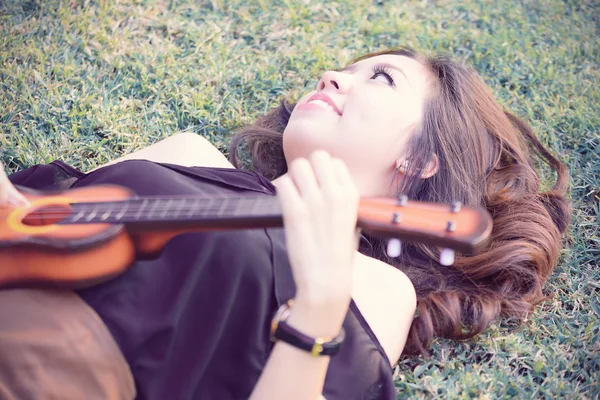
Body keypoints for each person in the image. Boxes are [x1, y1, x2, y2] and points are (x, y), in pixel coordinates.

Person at [0, 47, 570, 399]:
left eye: (380, 79)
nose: (331, 76)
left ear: (420, 160)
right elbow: (23, 224)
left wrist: (319, 306)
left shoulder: (373, 284)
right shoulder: (186, 151)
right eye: (344, 68)